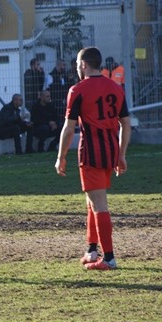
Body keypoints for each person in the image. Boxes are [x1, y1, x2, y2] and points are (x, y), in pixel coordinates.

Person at [55, 46, 131, 271]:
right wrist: (122, 154)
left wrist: (60, 157)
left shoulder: (77, 90)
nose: (77, 69)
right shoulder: (115, 88)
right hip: (110, 152)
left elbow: (69, 129)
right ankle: (92, 249)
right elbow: (125, 123)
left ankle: (109, 258)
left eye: (78, 65)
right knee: (92, 201)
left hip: (91, 153)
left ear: (85, 65)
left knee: (99, 204)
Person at [48, 59, 73, 128]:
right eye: (63, 65)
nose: (64, 67)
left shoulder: (65, 76)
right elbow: (51, 88)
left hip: (65, 102)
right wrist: (58, 81)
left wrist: (70, 80)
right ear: (58, 65)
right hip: (56, 102)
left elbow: (69, 87)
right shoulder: (50, 76)